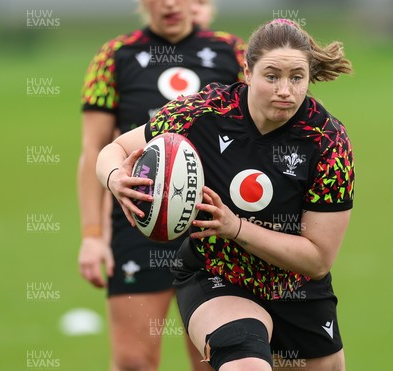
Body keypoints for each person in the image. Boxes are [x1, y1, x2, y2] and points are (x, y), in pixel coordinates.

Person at [96, 19, 354, 371]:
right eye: (272, 76)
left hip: (297, 287)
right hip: (217, 273)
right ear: (247, 72)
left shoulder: (327, 141)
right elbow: (114, 148)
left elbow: (317, 259)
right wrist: (115, 179)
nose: (285, 90)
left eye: (297, 77)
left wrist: (236, 228)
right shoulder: (205, 112)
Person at [77, 0, 245, 369]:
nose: (170, 3)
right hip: (139, 221)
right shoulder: (115, 55)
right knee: (134, 361)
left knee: (212, 361)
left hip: (212, 224)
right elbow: (93, 150)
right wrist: (92, 234)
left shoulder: (232, 50)